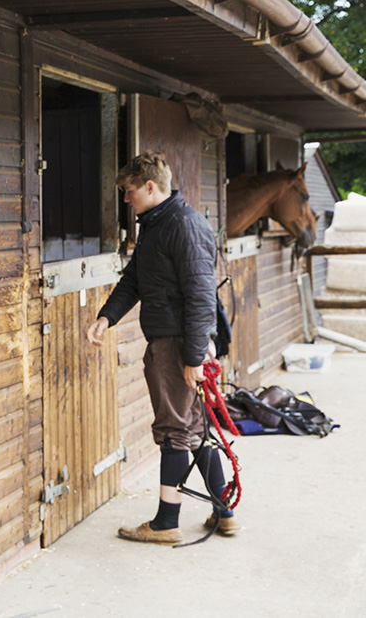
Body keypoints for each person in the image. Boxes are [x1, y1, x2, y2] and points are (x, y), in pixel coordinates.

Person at [85, 150, 238, 545]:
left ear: (151, 187)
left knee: (173, 430)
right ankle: (224, 512)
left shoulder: (184, 225)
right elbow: (134, 279)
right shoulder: (156, 224)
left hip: (176, 345)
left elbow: (202, 295)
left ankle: (166, 522)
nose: (126, 198)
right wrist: (107, 316)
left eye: (130, 190)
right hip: (173, 342)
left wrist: (191, 357)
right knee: (193, 427)